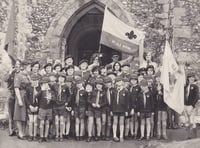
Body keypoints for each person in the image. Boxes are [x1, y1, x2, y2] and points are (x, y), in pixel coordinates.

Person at [13, 61, 31, 140]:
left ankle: (23, 132)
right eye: (28, 67)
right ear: (23, 67)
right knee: (19, 115)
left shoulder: (27, 75)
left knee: (24, 115)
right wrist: (19, 99)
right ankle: (20, 133)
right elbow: (16, 88)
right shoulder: (19, 75)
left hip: (27, 96)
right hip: (21, 95)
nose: (29, 68)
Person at [52, 72, 70, 142]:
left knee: (62, 120)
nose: (61, 79)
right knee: (56, 120)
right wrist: (53, 99)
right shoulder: (54, 86)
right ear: (57, 78)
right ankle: (57, 135)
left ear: (64, 79)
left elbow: (69, 96)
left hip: (62, 105)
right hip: (55, 104)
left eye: (62, 78)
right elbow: (52, 93)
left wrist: (66, 102)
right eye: (59, 77)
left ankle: (61, 135)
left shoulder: (66, 86)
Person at [110, 76, 129, 142]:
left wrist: (126, 110)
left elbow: (127, 102)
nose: (119, 83)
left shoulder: (125, 91)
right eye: (117, 82)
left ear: (122, 82)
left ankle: (121, 136)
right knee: (115, 122)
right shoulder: (114, 91)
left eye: (120, 81)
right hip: (115, 109)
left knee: (121, 122)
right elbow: (112, 101)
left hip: (122, 109)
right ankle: (114, 136)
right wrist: (111, 110)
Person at [37, 77, 55, 142]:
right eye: (44, 84)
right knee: (41, 122)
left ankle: (46, 136)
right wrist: (41, 90)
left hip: (49, 108)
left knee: (47, 122)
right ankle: (41, 136)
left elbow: (54, 99)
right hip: (42, 108)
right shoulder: (41, 91)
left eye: (46, 84)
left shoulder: (51, 91)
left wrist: (50, 98)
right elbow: (37, 96)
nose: (45, 85)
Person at [6, 60, 21, 136]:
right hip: (11, 94)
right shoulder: (11, 73)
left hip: (18, 95)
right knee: (11, 113)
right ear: (14, 65)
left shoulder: (21, 74)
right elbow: (6, 80)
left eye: (19, 64)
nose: (17, 65)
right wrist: (10, 72)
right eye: (16, 64)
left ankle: (17, 130)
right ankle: (11, 130)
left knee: (17, 113)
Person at [184, 72, 199, 139]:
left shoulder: (195, 86)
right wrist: (183, 104)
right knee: (187, 121)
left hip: (191, 106)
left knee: (192, 120)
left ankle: (195, 136)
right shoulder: (185, 87)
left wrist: (192, 105)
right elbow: (183, 96)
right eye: (190, 77)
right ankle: (188, 135)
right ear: (188, 78)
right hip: (185, 105)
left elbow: (197, 96)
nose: (191, 78)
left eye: (192, 77)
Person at [26, 73, 40, 141]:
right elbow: (26, 98)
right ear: (31, 81)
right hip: (30, 107)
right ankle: (30, 135)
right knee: (31, 121)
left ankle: (35, 135)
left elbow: (41, 99)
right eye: (33, 80)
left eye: (36, 80)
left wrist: (37, 106)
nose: (34, 82)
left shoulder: (40, 88)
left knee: (35, 121)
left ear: (38, 80)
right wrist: (29, 106)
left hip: (37, 107)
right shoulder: (29, 88)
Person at [154, 72, 168, 140]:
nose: (158, 79)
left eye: (159, 77)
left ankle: (164, 133)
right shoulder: (154, 86)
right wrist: (157, 91)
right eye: (157, 77)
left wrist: (161, 93)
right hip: (157, 105)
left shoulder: (165, 86)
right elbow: (153, 95)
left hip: (163, 105)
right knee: (158, 120)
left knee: (164, 120)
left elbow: (167, 95)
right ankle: (159, 134)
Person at [129, 74, 141, 139]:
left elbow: (138, 99)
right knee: (131, 120)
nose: (133, 81)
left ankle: (136, 133)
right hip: (130, 106)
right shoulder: (130, 87)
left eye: (134, 80)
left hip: (136, 106)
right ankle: (131, 133)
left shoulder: (138, 88)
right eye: (132, 80)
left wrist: (134, 108)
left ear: (136, 81)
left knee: (136, 120)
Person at [102, 76, 113, 141]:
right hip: (103, 107)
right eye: (106, 83)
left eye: (109, 82)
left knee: (109, 122)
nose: (107, 84)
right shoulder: (103, 90)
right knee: (103, 121)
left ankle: (107, 135)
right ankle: (103, 134)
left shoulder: (113, 90)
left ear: (111, 83)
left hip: (110, 108)